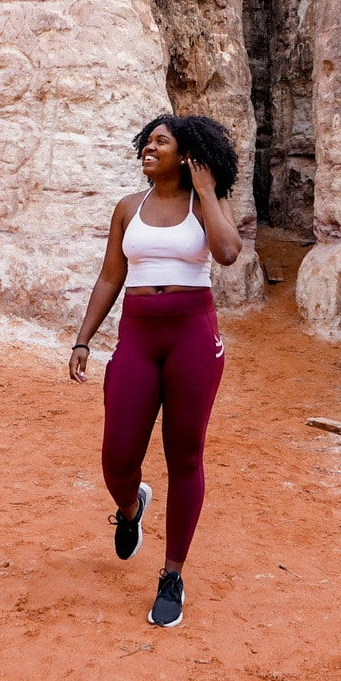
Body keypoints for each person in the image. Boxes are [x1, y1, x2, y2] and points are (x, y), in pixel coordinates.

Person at [68, 113, 242, 628]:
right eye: (146, 140)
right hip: (137, 337)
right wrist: (83, 338)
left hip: (192, 335)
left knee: (185, 455)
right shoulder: (128, 208)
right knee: (117, 457)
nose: (149, 146)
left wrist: (208, 189)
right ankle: (129, 507)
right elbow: (109, 277)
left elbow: (229, 253)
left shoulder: (205, 203)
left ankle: (172, 575)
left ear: (186, 153)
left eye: (161, 141)